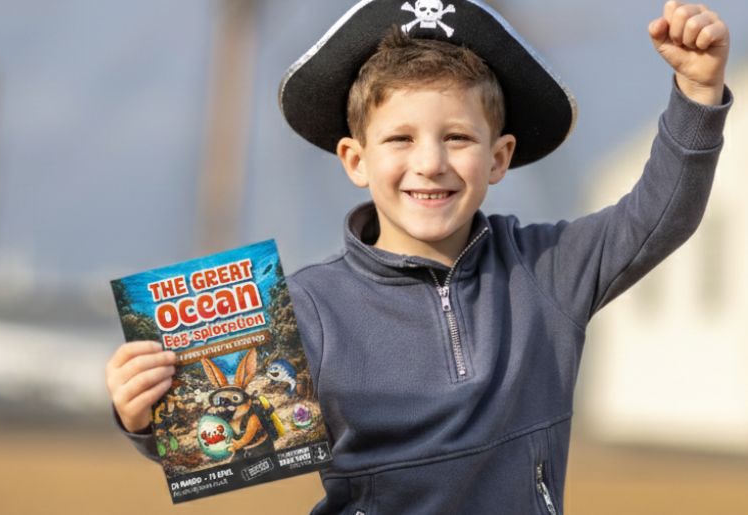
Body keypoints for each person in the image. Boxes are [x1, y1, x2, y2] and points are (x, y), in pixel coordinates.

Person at [105, 1, 733, 513]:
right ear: (356, 159)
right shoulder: (309, 309)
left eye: (457, 137)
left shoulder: (548, 270)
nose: (429, 162)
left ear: (499, 157)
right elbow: (214, 434)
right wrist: (145, 415)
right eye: (400, 138)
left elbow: (661, 213)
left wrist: (698, 92)